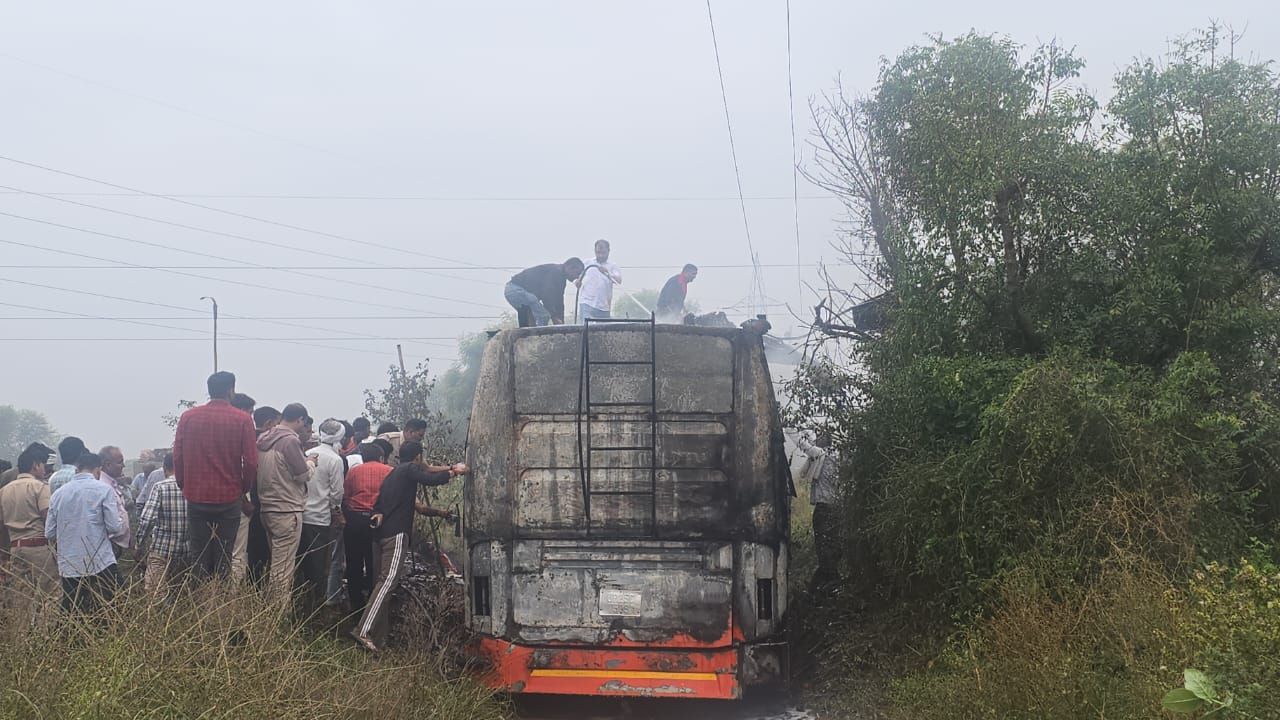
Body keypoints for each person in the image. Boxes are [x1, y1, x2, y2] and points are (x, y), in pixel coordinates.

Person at [352, 441, 466, 652]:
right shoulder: (410, 469)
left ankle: (378, 640)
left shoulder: (394, 475)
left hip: (380, 535)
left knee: (381, 584)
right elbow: (429, 478)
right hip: (396, 534)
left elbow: (427, 471)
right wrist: (453, 474)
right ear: (418, 457)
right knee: (387, 583)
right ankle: (363, 630)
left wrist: (450, 468)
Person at [172, 371, 257, 579]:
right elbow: (252, 462)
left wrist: (184, 484)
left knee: (198, 554)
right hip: (228, 497)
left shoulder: (188, 417)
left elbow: (178, 455)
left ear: (209, 391)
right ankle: (221, 603)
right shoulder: (243, 419)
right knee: (224, 556)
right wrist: (243, 489)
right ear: (231, 390)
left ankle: (199, 603)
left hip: (196, 496)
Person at [46, 452, 124, 613]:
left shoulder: (58, 494)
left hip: (70, 563)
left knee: (73, 610)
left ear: (77, 469)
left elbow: (49, 532)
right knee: (115, 605)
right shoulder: (104, 490)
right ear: (98, 470)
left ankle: (70, 638)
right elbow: (114, 527)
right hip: (100, 560)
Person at [257, 402, 313, 600]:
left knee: (275, 564)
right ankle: (276, 617)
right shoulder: (289, 441)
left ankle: (267, 611)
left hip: (267, 509)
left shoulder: (264, 438)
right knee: (283, 570)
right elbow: (303, 475)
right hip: (287, 509)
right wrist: (311, 463)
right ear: (300, 420)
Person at [0, 443, 57, 622]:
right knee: (52, 593)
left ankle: (21, 641)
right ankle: (45, 636)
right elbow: (47, 517)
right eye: (43, 464)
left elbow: (2, 523)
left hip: (15, 548)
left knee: (21, 597)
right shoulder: (39, 487)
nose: (45, 469)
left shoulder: (4, 490)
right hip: (38, 547)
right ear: (35, 465)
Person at [299, 419, 344, 606]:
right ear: (339, 438)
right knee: (318, 566)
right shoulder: (335, 460)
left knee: (301, 561)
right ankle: (315, 606)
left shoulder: (307, 454)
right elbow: (337, 493)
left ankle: (300, 601)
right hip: (320, 519)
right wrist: (337, 511)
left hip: (301, 515)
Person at [342, 443, 392, 612]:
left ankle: (355, 603)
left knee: (353, 562)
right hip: (378, 521)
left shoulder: (353, 471)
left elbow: (346, 496)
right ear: (381, 458)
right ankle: (373, 604)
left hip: (355, 521)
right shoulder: (389, 471)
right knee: (375, 563)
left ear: (363, 458)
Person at [235, 406, 280, 585]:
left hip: (247, 500)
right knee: (257, 552)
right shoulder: (262, 441)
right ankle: (255, 589)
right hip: (253, 502)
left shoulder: (248, 439)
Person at [135, 454, 188, 597]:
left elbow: (147, 519)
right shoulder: (194, 486)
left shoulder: (160, 487)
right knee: (183, 593)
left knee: (155, 593)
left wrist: (139, 545)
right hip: (187, 551)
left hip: (161, 551)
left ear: (165, 469)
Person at [795, 431, 841, 592]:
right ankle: (820, 584)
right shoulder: (838, 455)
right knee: (830, 545)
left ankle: (831, 580)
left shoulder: (822, 454)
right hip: (836, 507)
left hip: (824, 507)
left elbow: (801, 444)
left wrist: (799, 433)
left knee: (823, 546)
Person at [504, 257, 585, 327]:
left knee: (530, 315)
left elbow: (559, 302)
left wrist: (561, 320)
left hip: (514, 290)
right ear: (570, 268)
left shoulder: (561, 279)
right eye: (577, 273)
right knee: (543, 315)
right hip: (516, 290)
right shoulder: (556, 272)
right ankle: (538, 337)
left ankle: (527, 336)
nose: (577, 277)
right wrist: (554, 317)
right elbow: (547, 296)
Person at [575, 239, 622, 322]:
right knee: (586, 328)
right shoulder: (587, 263)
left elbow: (618, 280)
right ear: (595, 251)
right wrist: (577, 281)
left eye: (603, 253)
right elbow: (576, 276)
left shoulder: (612, 266)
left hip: (604, 306)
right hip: (587, 303)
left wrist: (607, 272)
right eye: (598, 253)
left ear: (608, 251)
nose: (600, 255)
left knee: (603, 331)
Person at [97, 445, 133, 553]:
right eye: (119, 462)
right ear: (108, 464)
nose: (123, 465)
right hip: (109, 544)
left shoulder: (111, 483)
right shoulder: (102, 486)